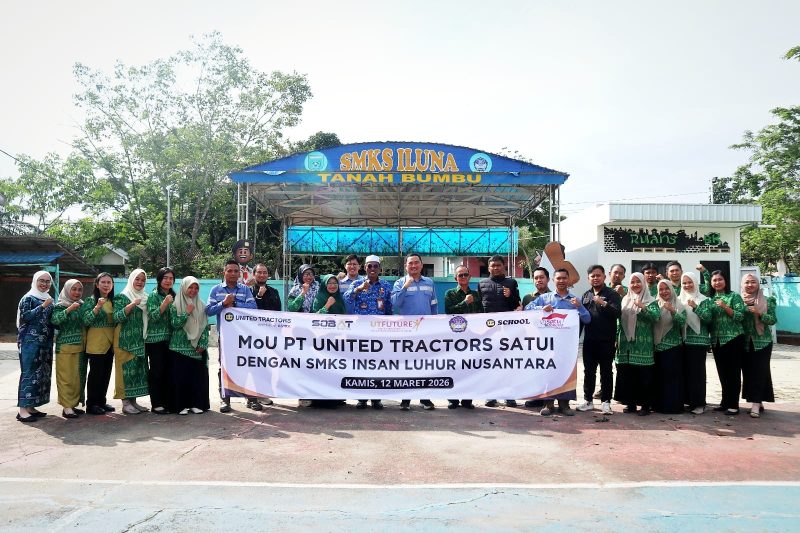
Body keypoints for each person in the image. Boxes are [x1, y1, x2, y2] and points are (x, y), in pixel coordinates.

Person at [526, 268, 590, 416]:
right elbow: (527, 309)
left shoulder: (574, 300)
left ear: (568, 280)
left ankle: (564, 404)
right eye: (558, 278)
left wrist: (579, 307)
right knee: (548, 372)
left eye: (564, 278)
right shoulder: (545, 298)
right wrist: (541, 308)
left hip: (567, 346)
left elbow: (587, 319)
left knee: (566, 373)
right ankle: (548, 404)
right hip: (548, 345)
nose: (561, 281)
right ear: (553, 280)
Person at [206, 259, 260, 413]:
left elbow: (253, 308)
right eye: (229, 271)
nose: (233, 273)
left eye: (236, 271)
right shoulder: (215, 290)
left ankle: (252, 399)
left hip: (244, 337)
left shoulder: (245, 289)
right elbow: (208, 310)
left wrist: (234, 304)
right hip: (225, 337)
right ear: (224, 272)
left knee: (248, 366)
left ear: (239, 273)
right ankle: (225, 400)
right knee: (224, 367)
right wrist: (223, 304)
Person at [345, 255, 394, 409]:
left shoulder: (386, 286)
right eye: (369, 266)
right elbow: (347, 300)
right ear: (364, 268)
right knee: (361, 365)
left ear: (379, 268)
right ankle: (362, 398)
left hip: (380, 333)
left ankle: (376, 398)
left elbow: (389, 309)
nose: (372, 269)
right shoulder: (357, 283)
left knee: (378, 365)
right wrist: (358, 290)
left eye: (375, 266)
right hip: (361, 332)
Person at [391, 253, 438, 411]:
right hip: (406, 331)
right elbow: (395, 303)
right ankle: (405, 399)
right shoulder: (399, 282)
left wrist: (434, 324)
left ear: (421, 265)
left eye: (416, 263)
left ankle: (425, 398)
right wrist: (405, 286)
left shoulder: (430, 282)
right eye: (410, 263)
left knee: (425, 364)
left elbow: (433, 305)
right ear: (406, 266)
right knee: (407, 364)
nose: (413, 266)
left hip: (425, 331)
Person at [614, 272, 660, 416]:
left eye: (638, 281)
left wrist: (643, 307)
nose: (635, 285)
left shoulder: (651, 300)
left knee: (644, 377)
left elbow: (656, 317)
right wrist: (616, 338)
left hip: (643, 344)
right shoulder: (624, 300)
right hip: (625, 344)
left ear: (644, 283)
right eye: (632, 282)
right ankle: (631, 404)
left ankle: (646, 406)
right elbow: (619, 321)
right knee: (628, 376)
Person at [577, 265, 621, 415]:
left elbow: (616, 313)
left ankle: (606, 402)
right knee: (589, 372)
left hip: (606, 341)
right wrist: (574, 338)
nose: (595, 278)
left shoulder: (612, 294)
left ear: (604, 277)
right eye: (592, 276)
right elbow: (582, 319)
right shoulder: (585, 295)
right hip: (589, 341)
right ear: (588, 278)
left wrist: (603, 303)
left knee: (606, 372)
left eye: (598, 275)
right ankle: (588, 400)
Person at [479, 255, 522, 408]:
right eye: (493, 265)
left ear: (504, 266)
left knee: (507, 363)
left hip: (507, 331)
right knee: (490, 364)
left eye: (498, 265)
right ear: (489, 267)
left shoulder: (511, 282)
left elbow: (517, 306)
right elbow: (479, 308)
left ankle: (509, 396)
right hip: (489, 332)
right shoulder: (482, 283)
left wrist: (510, 296)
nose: (496, 268)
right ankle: (490, 395)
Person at [15, 271, 55, 422]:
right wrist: (43, 306)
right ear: (34, 281)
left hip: (45, 343)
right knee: (29, 373)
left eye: (47, 281)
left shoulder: (48, 299)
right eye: (41, 281)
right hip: (29, 343)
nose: (44, 284)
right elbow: (26, 317)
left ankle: (31, 407)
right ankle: (22, 410)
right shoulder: (28, 298)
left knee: (41, 375)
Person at [170, 276, 211, 415]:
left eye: (196, 288)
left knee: (196, 378)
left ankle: (196, 403)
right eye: (190, 287)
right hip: (178, 347)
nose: (193, 290)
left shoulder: (202, 304)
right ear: (184, 288)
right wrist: (186, 312)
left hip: (196, 348)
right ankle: (180, 405)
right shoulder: (175, 304)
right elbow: (174, 324)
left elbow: (206, 327)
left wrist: (203, 342)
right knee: (180, 378)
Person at [443, 265, 482, 410]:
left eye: (466, 275)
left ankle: (467, 399)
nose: (463, 277)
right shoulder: (450, 294)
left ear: (470, 277)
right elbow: (449, 312)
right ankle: (453, 399)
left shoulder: (477, 295)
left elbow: (482, 314)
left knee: (469, 368)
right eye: (460, 275)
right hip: (455, 336)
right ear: (455, 278)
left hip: (472, 337)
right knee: (454, 367)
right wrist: (465, 302)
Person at [113, 268, 151, 414]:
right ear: (131, 279)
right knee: (125, 372)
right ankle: (125, 403)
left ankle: (134, 402)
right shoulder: (123, 296)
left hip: (140, 341)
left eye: (143, 280)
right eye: (137, 279)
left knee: (136, 372)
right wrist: (132, 305)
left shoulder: (146, 297)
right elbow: (116, 317)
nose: (140, 282)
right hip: (125, 341)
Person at [709, 270, 746, 415]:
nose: (717, 282)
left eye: (720, 279)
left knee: (733, 373)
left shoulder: (734, 296)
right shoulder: (710, 299)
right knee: (722, 373)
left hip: (733, 338)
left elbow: (740, 316)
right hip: (717, 340)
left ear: (725, 281)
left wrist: (725, 307)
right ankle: (725, 402)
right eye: (714, 280)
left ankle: (734, 405)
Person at [740, 273, 776, 418]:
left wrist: (759, 312)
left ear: (758, 284)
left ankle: (755, 403)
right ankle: (758, 400)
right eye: (747, 282)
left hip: (762, 342)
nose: (750, 285)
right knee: (748, 372)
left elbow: (772, 320)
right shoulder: (738, 300)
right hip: (744, 343)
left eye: (753, 282)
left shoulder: (768, 300)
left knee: (760, 372)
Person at [81, 272, 117, 415]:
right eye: (103, 282)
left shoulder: (113, 301)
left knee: (106, 374)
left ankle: (101, 401)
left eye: (109, 282)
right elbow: (85, 320)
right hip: (96, 342)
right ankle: (92, 404)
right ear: (97, 284)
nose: (106, 285)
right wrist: (97, 307)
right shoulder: (90, 301)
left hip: (110, 342)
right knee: (96, 375)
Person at [51, 279, 87, 419]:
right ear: (67, 290)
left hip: (81, 348)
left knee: (78, 378)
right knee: (66, 378)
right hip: (65, 348)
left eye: (79, 290)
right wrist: (69, 309)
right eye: (74, 289)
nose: (77, 292)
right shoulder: (60, 306)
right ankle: (66, 407)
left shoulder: (82, 305)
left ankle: (73, 405)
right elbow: (55, 320)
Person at [679, 272, 714, 414]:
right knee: (685, 373)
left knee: (697, 373)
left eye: (690, 282)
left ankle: (699, 403)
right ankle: (689, 401)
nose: (687, 285)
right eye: (684, 283)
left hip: (699, 341)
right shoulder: (679, 299)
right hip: (683, 340)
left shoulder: (704, 300)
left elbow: (708, 319)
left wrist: (696, 307)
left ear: (695, 283)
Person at [652, 279, 687, 414]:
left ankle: (673, 407)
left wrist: (673, 311)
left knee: (672, 379)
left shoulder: (679, 304)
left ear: (671, 290)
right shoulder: (655, 304)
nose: (664, 292)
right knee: (659, 378)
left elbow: (682, 323)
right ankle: (658, 406)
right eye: (661, 289)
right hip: (656, 347)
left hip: (673, 347)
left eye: (666, 289)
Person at [145, 267, 176, 414]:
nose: (168, 281)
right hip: (155, 341)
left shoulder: (174, 295)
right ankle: (156, 404)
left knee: (168, 372)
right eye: (165, 278)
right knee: (156, 372)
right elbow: (153, 316)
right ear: (159, 279)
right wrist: (164, 304)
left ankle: (166, 402)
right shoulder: (153, 296)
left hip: (170, 340)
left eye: (171, 278)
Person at [522, 266, 551, 407]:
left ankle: (550, 398)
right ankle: (537, 397)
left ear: (548, 279)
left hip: (551, 339)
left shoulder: (555, 296)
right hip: (532, 339)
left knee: (550, 369)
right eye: (536, 278)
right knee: (535, 368)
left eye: (542, 277)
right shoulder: (527, 297)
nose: (539, 280)